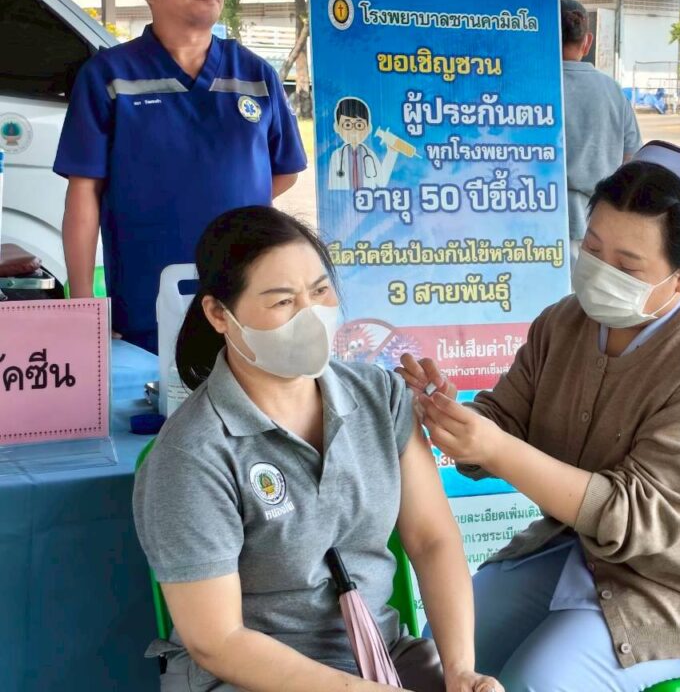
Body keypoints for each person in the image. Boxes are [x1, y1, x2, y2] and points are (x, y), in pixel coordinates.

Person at [399, 141, 680, 691]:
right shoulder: (566, 322)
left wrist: (493, 446)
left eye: (627, 265)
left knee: (538, 682)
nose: (598, 271)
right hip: (588, 552)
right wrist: (450, 415)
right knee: (446, 652)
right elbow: (506, 421)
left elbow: (635, 518)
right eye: (592, 248)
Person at [133, 206, 500, 692]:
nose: (311, 314)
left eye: (321, 291)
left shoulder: (381, 397)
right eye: (283, 301)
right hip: (250, 677)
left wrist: (461, 670)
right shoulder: (192, 453)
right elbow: (217, 641)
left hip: (380, 655)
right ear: (219, 314)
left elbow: (433, 540)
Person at [55, 0, 306, 354]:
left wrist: (228, 208)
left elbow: (285, 170)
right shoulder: (111, 76)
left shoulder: (255, 75)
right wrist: (83, 306)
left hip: (243, 296)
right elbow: (83, 194)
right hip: (145, 301)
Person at [560, 0, 641, 260]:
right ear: (587, 41)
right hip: (599, 226)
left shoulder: (532, 88)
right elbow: (632, 161)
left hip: (541, 221)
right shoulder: (613, 91)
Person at [327, 96, 400, 191]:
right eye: (347, 125)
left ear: (368, 128)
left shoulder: (369, 155)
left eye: (359, 125)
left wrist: (392, 153)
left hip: (367, 197)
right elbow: (333, 186)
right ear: (337, 127)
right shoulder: (336, 156)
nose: (354, 130)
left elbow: (381, 181)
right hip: (345, 199)